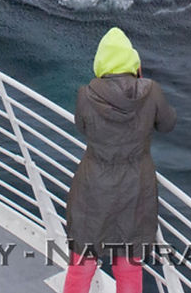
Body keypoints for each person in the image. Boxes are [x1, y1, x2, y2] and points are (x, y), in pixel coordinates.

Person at [63, 27, 176, 293]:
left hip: (93, 186)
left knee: (83, 261)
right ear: (133, 62)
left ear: (100, 63)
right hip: (136, 188)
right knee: (128, 264)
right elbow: (168, 124)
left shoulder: (86, 94)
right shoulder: (151, 91)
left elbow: (83, 127)